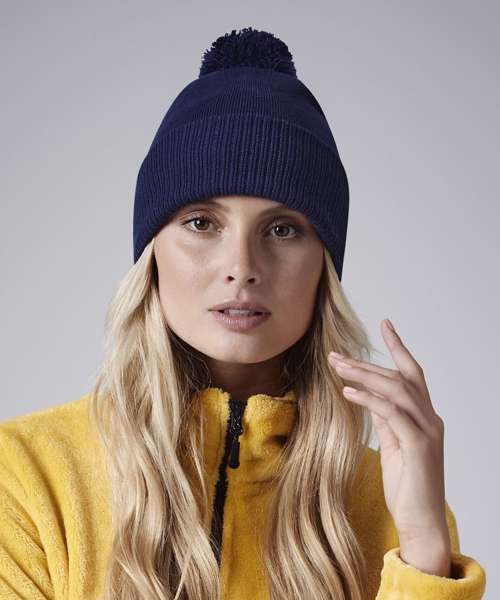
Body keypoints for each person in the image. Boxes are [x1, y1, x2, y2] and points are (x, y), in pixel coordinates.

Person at [0, 27, 486, 600]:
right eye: (201, 223)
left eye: (282, 230)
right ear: (152, 253)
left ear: (323, 266)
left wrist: (423, 548)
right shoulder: (26, 476)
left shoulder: (392, 506)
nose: (242, 267)